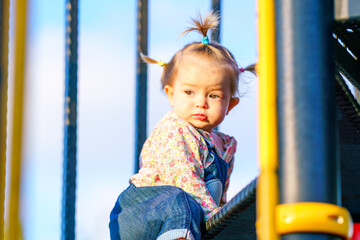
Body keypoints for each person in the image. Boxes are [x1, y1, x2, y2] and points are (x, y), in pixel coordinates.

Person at [109, 11, 255, 240]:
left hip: (189, 216)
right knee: (180, 201)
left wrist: (223, 222)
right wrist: (215, 216)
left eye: (214, 96)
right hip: (140, 212)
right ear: (171, 94)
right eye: (189, 92)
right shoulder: (174, 130)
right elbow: (186, 179)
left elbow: (220, 199)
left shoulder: (225, 146)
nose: (200, 103)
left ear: (231, 104)